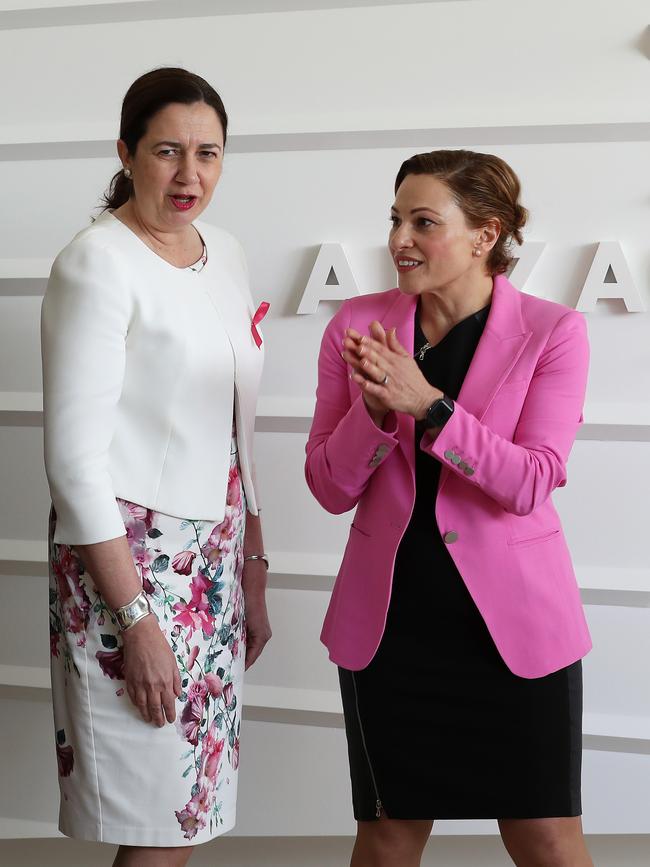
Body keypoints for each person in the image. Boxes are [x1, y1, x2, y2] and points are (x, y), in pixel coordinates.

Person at [305, 150, 594, 867]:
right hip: (392, 627)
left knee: (546, 838)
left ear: (485, 234)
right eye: (396, 219)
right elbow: (328, 486)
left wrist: (429, 407)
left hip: (515, 632)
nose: (400, 238)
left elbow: (532, 480)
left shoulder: (553, 332)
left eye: (423, 221)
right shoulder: (359, 326)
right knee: (389, 836)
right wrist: (372, 418)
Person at [42, 67, 271, 866]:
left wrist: (254, 561)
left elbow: (237, 420)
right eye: (167, 151)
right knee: (153, 818)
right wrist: (135, 619)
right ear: (126, 151)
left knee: (190, 815)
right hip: (126, 567)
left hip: (212, 563)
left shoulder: (228, 250)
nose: (189, 174)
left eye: (208, 153)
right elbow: (72, 462)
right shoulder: (96, 263)